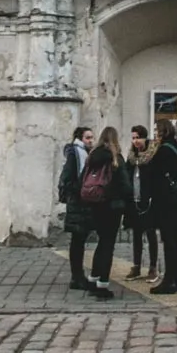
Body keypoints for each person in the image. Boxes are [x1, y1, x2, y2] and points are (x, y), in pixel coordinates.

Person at [83, 126, 133, 298]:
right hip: (112, 207)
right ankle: (102, 285)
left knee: (101, 242)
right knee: (108, 245)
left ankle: (92, 279)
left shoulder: (92, 157)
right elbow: (125, 186)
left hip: (95, 205)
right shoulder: (115, 158)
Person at [143, 118, 177, 294]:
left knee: (169, 239)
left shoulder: (163, 150)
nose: (155, 133)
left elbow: (153, 173)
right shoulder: (175, 146)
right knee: (175, 237)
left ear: (163, 131)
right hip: (175, 199)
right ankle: (176, 279)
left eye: (157, 130)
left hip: (165, 200)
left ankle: (169, 280)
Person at [57, 126, 97, 291]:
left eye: (92, 138)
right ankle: (77, 276)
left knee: (79, 241)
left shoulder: (84, 153)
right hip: (78, 203)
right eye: (88, 138)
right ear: (80, 138)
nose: (91, 141)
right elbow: (67, 178)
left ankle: (78, 276)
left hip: (82, 203)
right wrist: (78, 191)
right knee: (77, 241)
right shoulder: (76, 154)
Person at [124, 125, 160, 283]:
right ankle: (136, 265)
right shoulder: (132, 157)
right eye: (133, 138)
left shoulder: (152, 155)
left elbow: (155, 178)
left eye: (138, 137)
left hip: (148, 199)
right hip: (134, 199)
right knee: (136, 234)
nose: (135, 141)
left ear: (145, 138)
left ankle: (153, 267)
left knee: (151, 234)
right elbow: (127, 174)